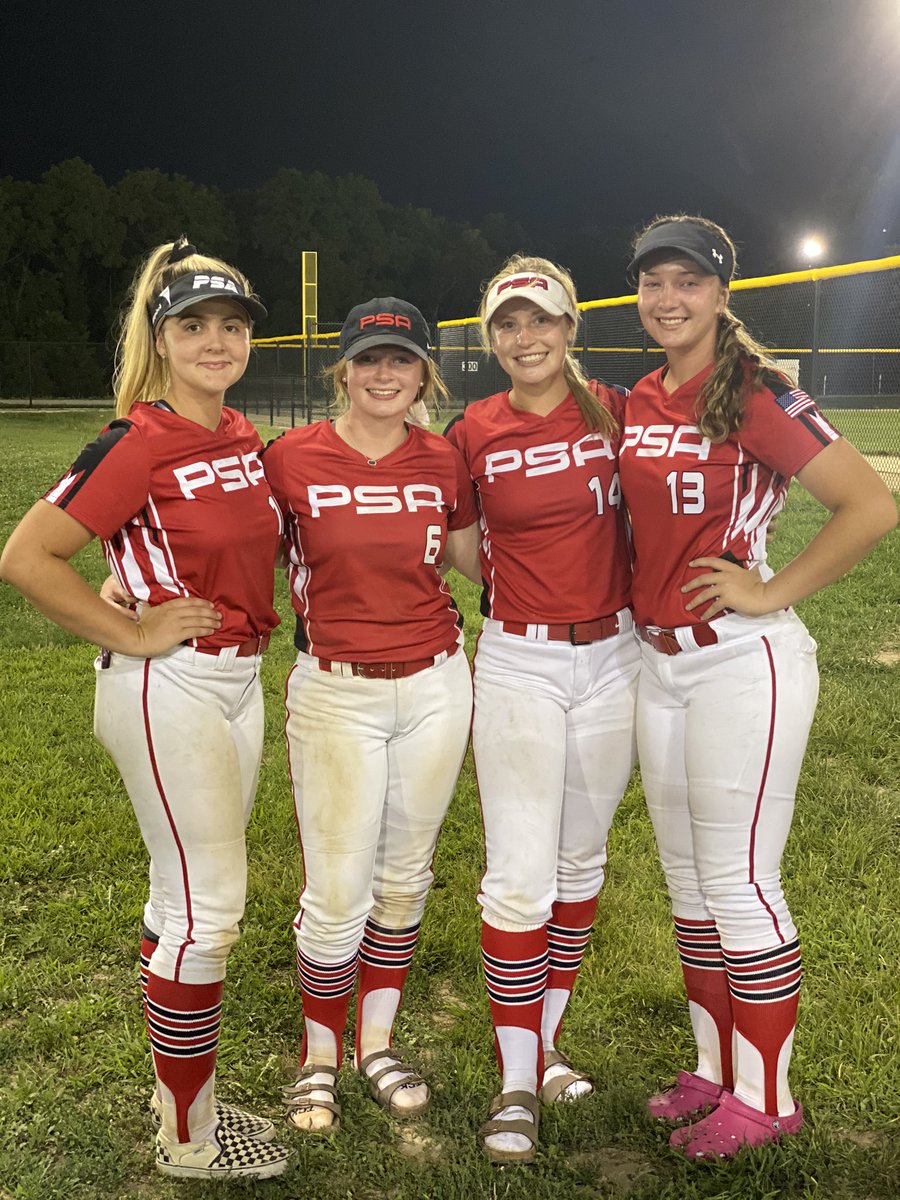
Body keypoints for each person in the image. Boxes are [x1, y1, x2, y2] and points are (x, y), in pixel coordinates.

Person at [0, 239, 292, 1181]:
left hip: (236, 681)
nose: (216, 342)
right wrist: (129, 627)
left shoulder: (239, 433)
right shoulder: (138, 438)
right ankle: (190, 1141)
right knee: (209, 914)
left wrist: (133, 577)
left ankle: (178, 1099)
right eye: (193, 326)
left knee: (180, 902)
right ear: (160, 339)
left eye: (232, 326)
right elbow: (27, 557)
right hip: (171, 686)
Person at [620, 214, 897, 1158]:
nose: (668, 299)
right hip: (658, 662)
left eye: (688, 282)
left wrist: (771, 590)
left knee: (740, 883)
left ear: (721, 293)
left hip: (741, 660)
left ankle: (769, 1098)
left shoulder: (758, 391)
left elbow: (870, 505)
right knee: (690, 885)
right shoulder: (641, 395)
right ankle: (715, 1072)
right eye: (653, 282)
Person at [261, 298, 480, 1133]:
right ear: (343, 370)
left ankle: (376, 1043)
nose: (384, 374)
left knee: (405, 875)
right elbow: (232, 546)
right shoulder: (291, 458)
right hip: (337, 688)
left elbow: (476, 559)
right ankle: (319, 1054)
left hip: (436, 684)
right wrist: (130, 582)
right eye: (368, 359)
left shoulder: (443, 460)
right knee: (336, 889)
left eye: (401, 359)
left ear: (424, 373)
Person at [445, 257, 640, 1163]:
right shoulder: (473, 429)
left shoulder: (615, 408)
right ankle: (516, 1081)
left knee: (580, 861)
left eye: (542, 320)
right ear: (492, 338)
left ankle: (545, 1044)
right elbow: (461, 543)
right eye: (508, 324)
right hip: (521, 657)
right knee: (519, 874)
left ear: (569, 327)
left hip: (616, 653)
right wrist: (520, 587)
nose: (526, 338)